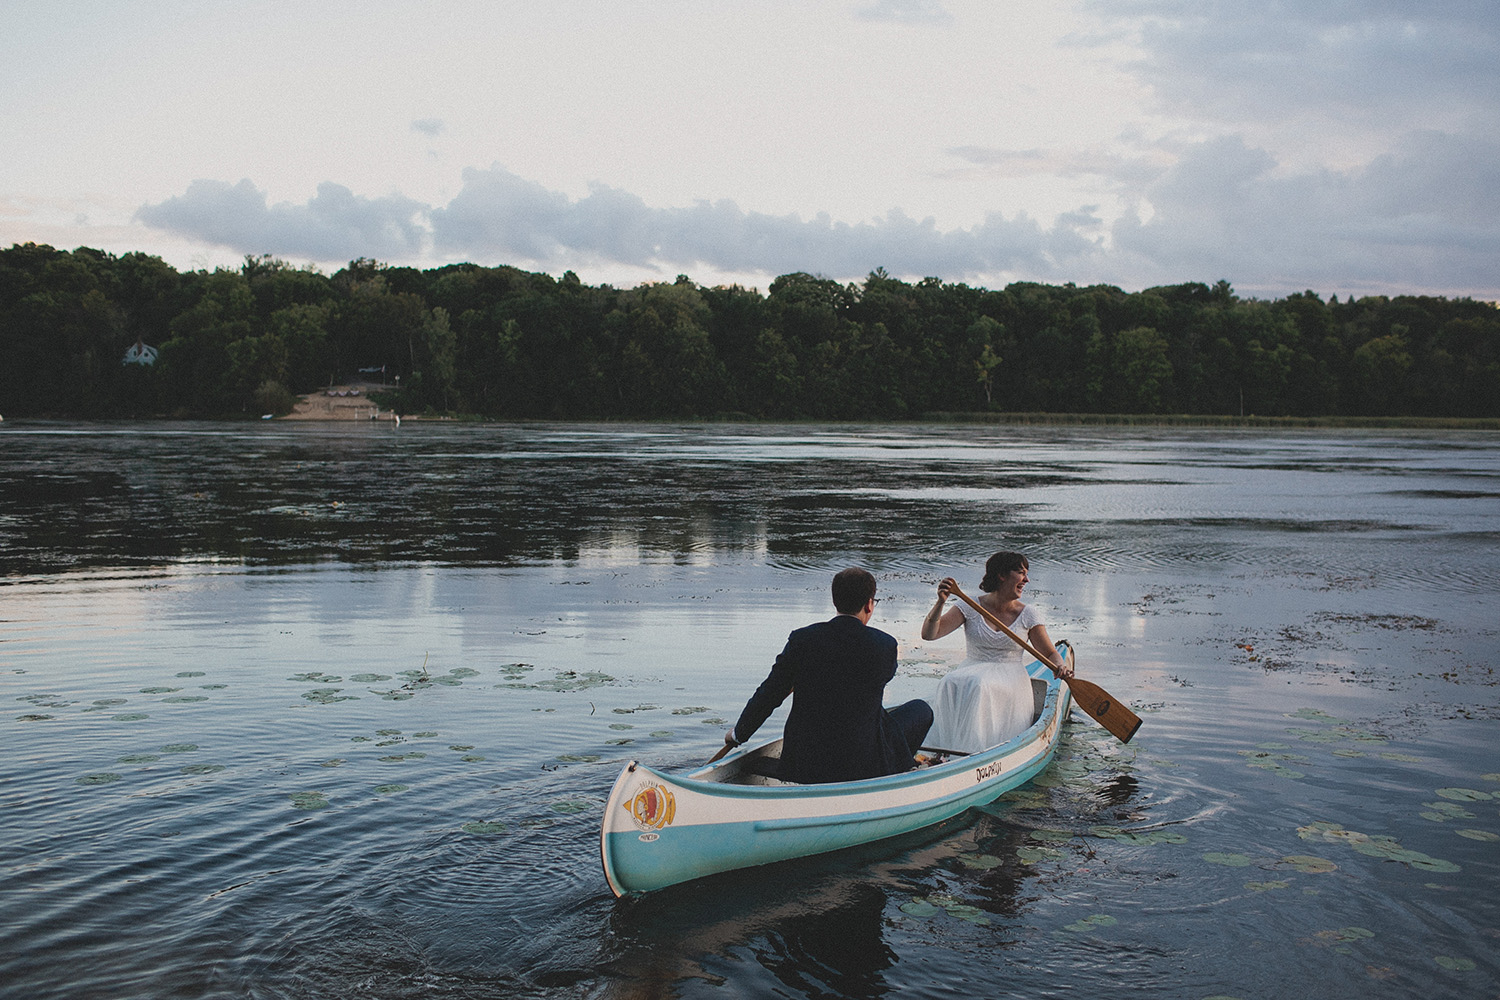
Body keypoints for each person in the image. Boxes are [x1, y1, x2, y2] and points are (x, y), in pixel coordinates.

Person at [724, 568, 933, 783]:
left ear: (836, 602)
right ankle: (898, 771)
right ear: (869, 604)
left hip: (803, 763)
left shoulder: (802, 640)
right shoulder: (885, 645)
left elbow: (769, 694)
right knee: (921, 710)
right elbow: (883, 677)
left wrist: (739, 734)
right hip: (860, 765)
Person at [920, 552, 1070, 754]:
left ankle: (973, 754)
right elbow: (930, 634)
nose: (1026, 580)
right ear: (1002, 575)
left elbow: (1051, 653)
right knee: (949, 681)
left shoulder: (1028, 614)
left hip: (1010, 678)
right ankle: (945, 750)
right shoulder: (969, 605)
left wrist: (1061, 665)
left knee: (980, 686)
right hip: (972, 668)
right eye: (1021, 573)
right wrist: (940, 603)